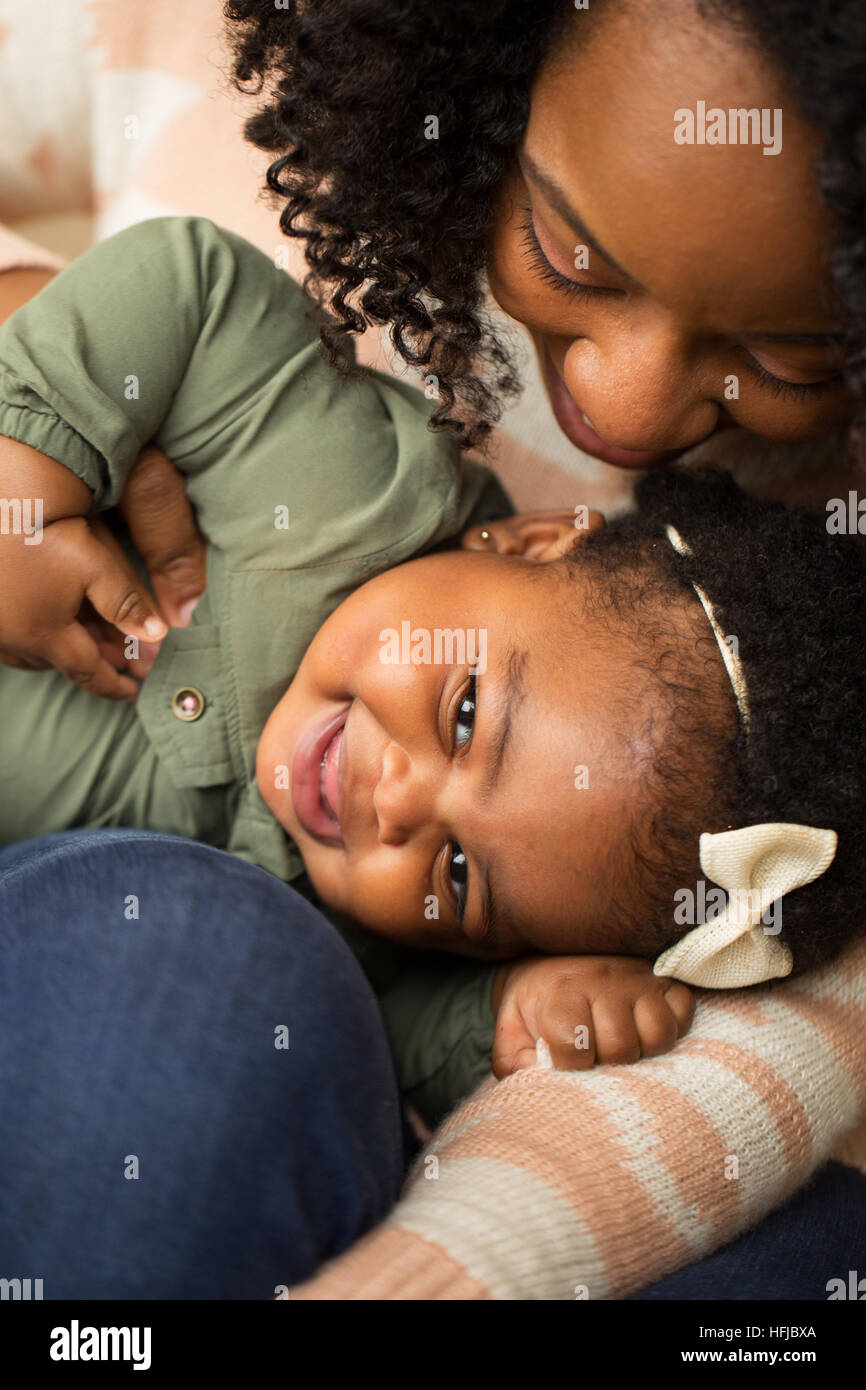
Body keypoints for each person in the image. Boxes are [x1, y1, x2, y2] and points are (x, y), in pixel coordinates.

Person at [1, 211, 864, 1127]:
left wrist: (505, 1015)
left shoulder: (356, 933)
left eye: (459, 876)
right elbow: (196, 285)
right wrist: (29, 467)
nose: (401, 803)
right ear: (530, 543)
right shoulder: (350, 493)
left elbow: (389, 1021)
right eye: (462, 718)